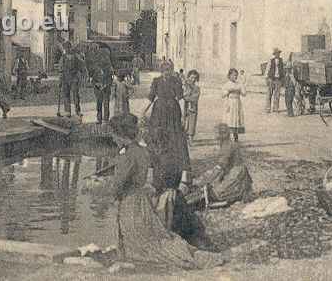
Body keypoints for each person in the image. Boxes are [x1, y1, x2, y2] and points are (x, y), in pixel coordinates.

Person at [85, 113, 200, 269]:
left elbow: (117, 186)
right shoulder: (142, 151)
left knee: (138, 243)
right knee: (148, 237)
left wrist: (95, 187)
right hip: (141, 200)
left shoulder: (128, 156)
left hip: (130, 203)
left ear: (120, 135)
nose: (112, 139)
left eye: (113, 135)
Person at [145, 60, 190, 192]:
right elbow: (150, 98)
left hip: (172, 112)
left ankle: (174, 164)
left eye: (168, 70)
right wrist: (142, 111)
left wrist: (183, 116)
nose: (166, 73)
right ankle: (158, 163)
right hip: (158, 112)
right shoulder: (156, 81)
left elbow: (180, 98)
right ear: (161, 71)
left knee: (175, 137)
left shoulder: (176, 81)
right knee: (157, 136)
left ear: (171, 71)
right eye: (164, 71)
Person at [188, 123, 252, 207]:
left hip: (236, 175)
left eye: (217, 134)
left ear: (222, 135)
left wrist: (203, 181)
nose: (215, 137)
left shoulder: (227, 147)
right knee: (210, 189)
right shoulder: (228, 144)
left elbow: (219, 169)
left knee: (215, 194)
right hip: (237, 174)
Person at [59, 41, 84, 117]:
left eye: (68, 48)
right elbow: (60, 69)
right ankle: (67, 111)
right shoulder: (63, 57)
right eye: (65, 48)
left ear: (70, 48)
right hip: (65, 79)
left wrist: (79, 75)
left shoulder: (76, 56)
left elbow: (81, 66)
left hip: (74, 78)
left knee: (76, 95)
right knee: (66, 95)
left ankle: (77, 111)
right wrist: (60, 78)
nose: (67, 49)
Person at [222, 68, 246, 141]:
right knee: (229, 118)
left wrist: (240, 91)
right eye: (233, 75)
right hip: (230, 102)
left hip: (237, 103)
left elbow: (244, 93)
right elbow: (222, 94)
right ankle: (228, 136)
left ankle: (236, 136)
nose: (235, 77)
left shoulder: (239, 84)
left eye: (236, 75)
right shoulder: (226, 84)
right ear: (229, 76)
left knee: (236, 118)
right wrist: (228, 91)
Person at [183, 70, 200, 143]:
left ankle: (191, 137)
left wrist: (187, 97)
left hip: (193, 107)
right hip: (185, 106)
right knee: (184, 120)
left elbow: (195, 98)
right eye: (191, 77)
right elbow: (183, 95)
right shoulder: (185, 86)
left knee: (192, 122)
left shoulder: (197, 88)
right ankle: (184, 136)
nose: (193, 80)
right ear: (188, 77)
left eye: (194, 78)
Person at [265, 48, 284, 114]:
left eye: (278, 53)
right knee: (269, 94)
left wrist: (282, 79)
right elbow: (267, 69)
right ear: (274, 54)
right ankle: (268, 108)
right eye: (276, 53)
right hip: (271, 79)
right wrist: (266, 78)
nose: (277, 54)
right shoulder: (271, 61)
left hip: (278, 79)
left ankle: (276, 108)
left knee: (277, 95)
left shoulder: (281, 60)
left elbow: (283, 70)